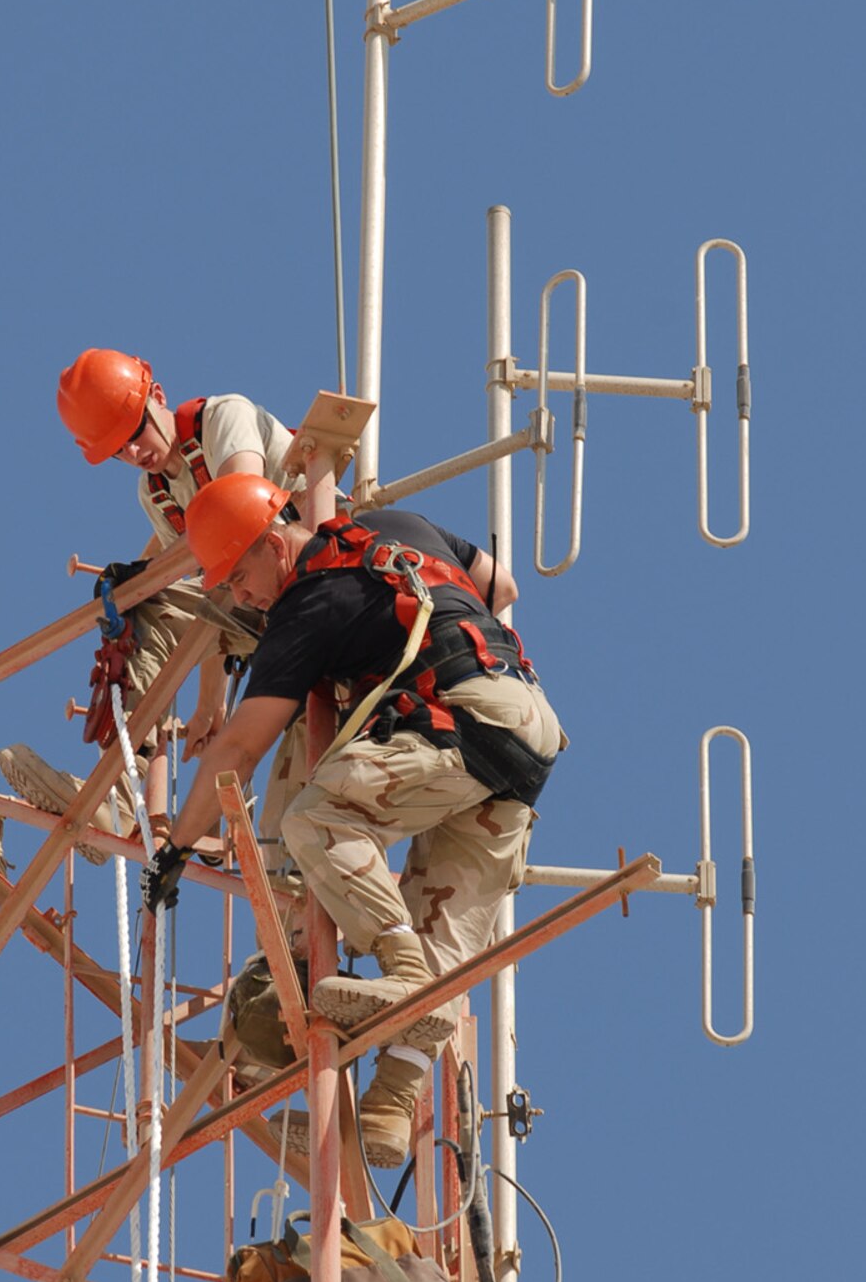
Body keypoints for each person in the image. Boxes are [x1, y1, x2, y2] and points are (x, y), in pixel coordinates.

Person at [140, 474, 563, 1167]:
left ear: (275, 544)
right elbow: (502, 588)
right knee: (443, 931)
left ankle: (397, 971)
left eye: (241, 575)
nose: (241, 596)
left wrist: (175, 851)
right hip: (526, 733)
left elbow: (238, 749)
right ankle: (386, 1114)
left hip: (461, 724)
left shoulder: (308, 604)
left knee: (317, 819)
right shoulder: (401, 527)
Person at [0, 350, 307, 853]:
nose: (134, 454)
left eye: (135, 433)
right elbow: (214, 591)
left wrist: (148, 579)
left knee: (146, 596)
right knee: (139, 606)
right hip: (265, 604)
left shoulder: (221, 418)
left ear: (157, 397)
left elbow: (240, 514)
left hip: (309, 573)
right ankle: (119, 793)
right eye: (117, 450)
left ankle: (120, 795)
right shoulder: (157, 491)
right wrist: (210, 706)